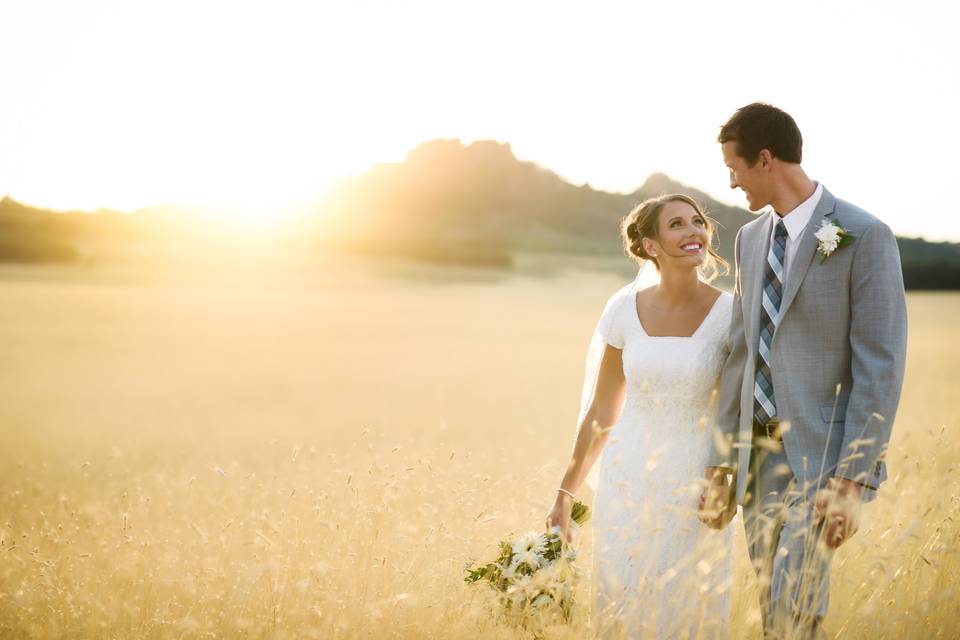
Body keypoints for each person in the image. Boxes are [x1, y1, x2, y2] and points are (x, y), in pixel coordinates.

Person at [698, 103, 908, 639]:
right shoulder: (749, 239)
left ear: (765, 159)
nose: (731, 181)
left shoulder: (864, 235)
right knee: (773, 602)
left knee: (798, 603)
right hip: (755, 459)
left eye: (735, 167)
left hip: (820, 461)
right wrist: (722, 463)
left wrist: (852, 479)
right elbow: (741, 354)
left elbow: (879, 368)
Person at [546, 193, 734, 638]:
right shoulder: (623, 310)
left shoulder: (731, 313)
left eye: (697, 222)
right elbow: (602, 410)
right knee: (624, 600)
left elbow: (734, 409)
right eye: (677, 225)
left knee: (691, 606)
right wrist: (565, 494)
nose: (694, 232)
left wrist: (723, 476)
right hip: (627, 477)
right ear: (650, 245)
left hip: (697, 479)